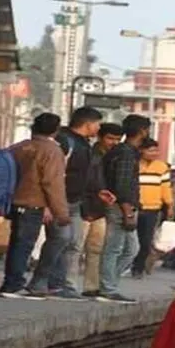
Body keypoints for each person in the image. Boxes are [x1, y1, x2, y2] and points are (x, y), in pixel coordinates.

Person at [1, 113, 68, 299]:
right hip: (32, 203)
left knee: (17, 243)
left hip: (14, 202)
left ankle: (10, 282)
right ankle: (13, 285)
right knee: (24, 244)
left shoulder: (18, 147)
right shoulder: (52, 151)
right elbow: (52, 184)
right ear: (56, 130)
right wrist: (61, 212)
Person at [39, 106, 102, 299]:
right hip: (61, 200)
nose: (98, 128)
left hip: (76, 200)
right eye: (98, 124)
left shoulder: (85, 144)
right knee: (59, 241)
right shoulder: (65, 141)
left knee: (73, 244)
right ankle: (43, 281)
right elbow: (54, 173)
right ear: (88, 123)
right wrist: (49, 204)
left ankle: (61, 284)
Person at [98, 114, 151, 304]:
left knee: (131, 249)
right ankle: (107, 288)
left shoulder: (122, 151)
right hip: (120, 207)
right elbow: (121, 186)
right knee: (114, 248)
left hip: (123, 206)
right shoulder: (126, 153)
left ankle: (108, 283)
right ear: (142, 131)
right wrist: (128, 211)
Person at [79, 122, 122, 297]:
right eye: (110, 138)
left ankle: (91, 286)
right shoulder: (90, 154)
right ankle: (62, 285)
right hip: (85, 207)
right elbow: (85, 184)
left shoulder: (114, 157)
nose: (114, 142)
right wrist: (87, 207)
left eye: (118, 139)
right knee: (74, 248)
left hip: (102, 209)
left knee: (96, 249)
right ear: (100, 137)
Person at [132, 138, 172, 277]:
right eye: (150, 150)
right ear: (141, 150)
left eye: (156, 150)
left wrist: (170, 204)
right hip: (135, 207)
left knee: (146, 240)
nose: (154, 153)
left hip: (153, 208)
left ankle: (138, 267)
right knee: (132, 239)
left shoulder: (162, 167)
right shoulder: (134, 164)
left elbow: (165, 187)